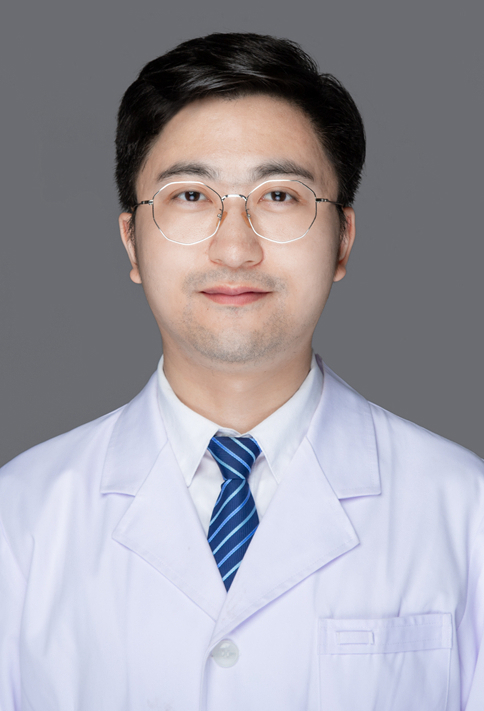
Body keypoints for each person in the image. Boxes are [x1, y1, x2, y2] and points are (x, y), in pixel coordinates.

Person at [0, 32, 483, 711]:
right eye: (190, 196)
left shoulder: (465, 512)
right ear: (132, 241)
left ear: (342, 240)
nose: (234, 247)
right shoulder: (20, 519)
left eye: (279, 195)